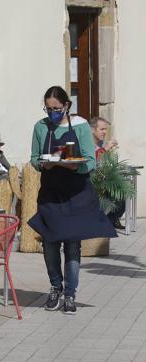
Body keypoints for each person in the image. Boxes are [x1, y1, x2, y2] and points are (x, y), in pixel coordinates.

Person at [29, 86, 116, 315]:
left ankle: (70, 294)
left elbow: (90, 162)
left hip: (76, 192)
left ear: (66, 105)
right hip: (50, 192)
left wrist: (71, 164)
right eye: (48, 109)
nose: (52, 112)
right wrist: (44, 163)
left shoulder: (79, 126)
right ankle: (55, 287)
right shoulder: (40, 127)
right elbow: (34, 159)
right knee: (49, 242)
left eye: (56, 108)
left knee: (71, 245)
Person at [89, 116, 125, 229]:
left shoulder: (99, 144)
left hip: (101, 179)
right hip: (90, 182)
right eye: (102, 129)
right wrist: (106, 149)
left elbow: (103, 162)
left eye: (106, 129)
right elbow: (91, 160)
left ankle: (111, 220)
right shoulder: (87, 144)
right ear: (92, 129)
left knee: (121, 193)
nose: (105, 132)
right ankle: (105, 223)